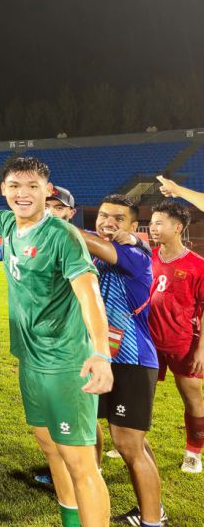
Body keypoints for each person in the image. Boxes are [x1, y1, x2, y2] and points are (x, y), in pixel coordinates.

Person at [0, 157, 112, 527]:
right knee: (50, 446)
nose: (23, 194)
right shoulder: (7, 224)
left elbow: (89, 294)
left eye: (33, 186)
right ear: (4, 190)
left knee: (81, 463)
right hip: (31, 360)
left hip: (66, 362)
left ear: (47, 191)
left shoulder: (62, 236)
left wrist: (99, 351)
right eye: (15, 186)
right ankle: (71, 520)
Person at [78, 194, 162, 527]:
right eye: (103, 216)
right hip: (104, 358)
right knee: (132, 441)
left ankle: (153, 522)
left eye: (118, 219)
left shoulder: (135, 254)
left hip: (132, 361)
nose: (108, 222)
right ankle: (154, 510)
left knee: (128, 444)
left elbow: (93, 243)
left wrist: (46, 221)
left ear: (133, 226)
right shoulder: (102, 254)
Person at [151, 179, 204, 474]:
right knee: (140, 394)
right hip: (149, 341)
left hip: (183, 343)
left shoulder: (197, 265)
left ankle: (193, 452)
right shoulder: (149, 257)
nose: (153, 228)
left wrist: (201, 349)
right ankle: (132, 442)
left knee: (192, 397)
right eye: (152, 223)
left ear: (177, 228)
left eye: (160, 223)